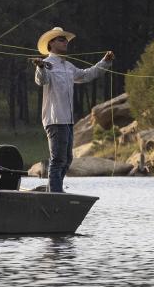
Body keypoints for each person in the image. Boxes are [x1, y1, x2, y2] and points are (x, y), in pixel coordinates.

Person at [33, 27, 114, 193]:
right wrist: (40, 67)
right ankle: (55, 193)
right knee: (58, 159)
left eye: (65, 40)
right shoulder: (47, 64)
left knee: (67, 159)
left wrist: (104, 61)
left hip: (68, 120)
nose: (65, 42)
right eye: (61, 40)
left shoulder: (68, 66)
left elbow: (87, 75)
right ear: (51, 43)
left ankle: (54, 189)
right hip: (55, 119)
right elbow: (41, 81)